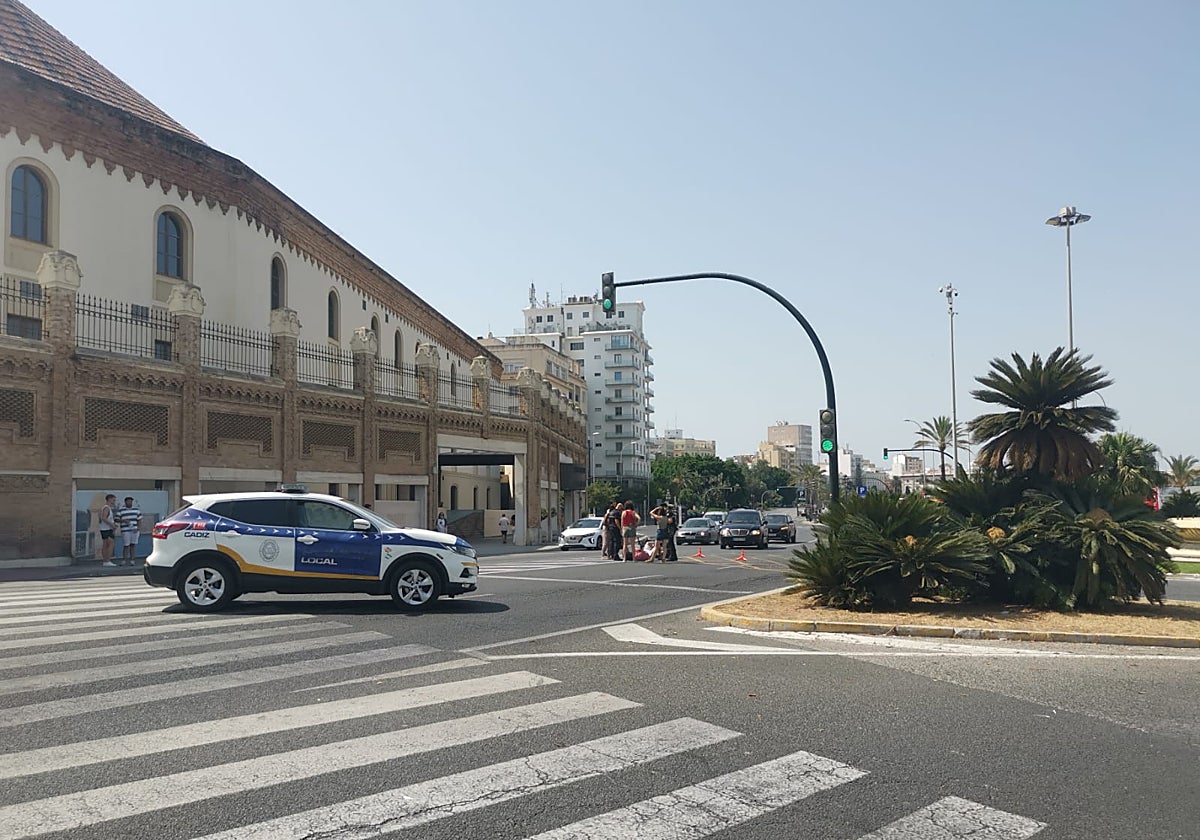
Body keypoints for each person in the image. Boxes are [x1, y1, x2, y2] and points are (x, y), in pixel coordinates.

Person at [116, 496, 141, 566]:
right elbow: (116, 519)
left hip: (134, 530)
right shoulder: (121, 510)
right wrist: (123, 520)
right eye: (128, 501)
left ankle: (132, 560)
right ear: (125, 502)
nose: (130, 503)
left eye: (131, 501)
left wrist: (138, 528)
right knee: (126, 545)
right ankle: (124, 560)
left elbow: (139, 519)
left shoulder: (136, 510)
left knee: (133, 545)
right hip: (125, 530)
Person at [98, 494, 117, 566]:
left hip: (105, 528)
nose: (114, 501)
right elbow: (104, 518)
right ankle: (107, 560)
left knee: (105, 544)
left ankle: (105, 560)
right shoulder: (106, 508)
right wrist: (112, 525)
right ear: (109, 499)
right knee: (110, 543)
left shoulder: (104, 508)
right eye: (113, 500)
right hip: (106, 529)